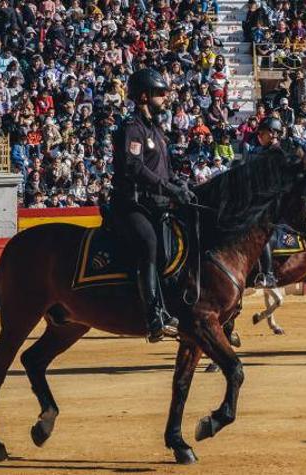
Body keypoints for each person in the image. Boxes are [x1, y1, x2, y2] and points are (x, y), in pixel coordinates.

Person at [110, 68, 195, 343]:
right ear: (144, 96)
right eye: (160, 93)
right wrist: (166, 187)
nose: (165, 98)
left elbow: (164, 169)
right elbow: (134, 167)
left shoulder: (156, 131)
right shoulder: (132, 127)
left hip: (156, 205)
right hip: (131, 205)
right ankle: (154, 316)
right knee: (148, 243)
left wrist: (179, 185)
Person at [247, 117, 285, 288]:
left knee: (261, 230)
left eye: (262, 133)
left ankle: (268, 274)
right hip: (264, 198)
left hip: (273, 201)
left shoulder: (276, 153)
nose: (259, 137)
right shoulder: (264, 152)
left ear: (273, 134)